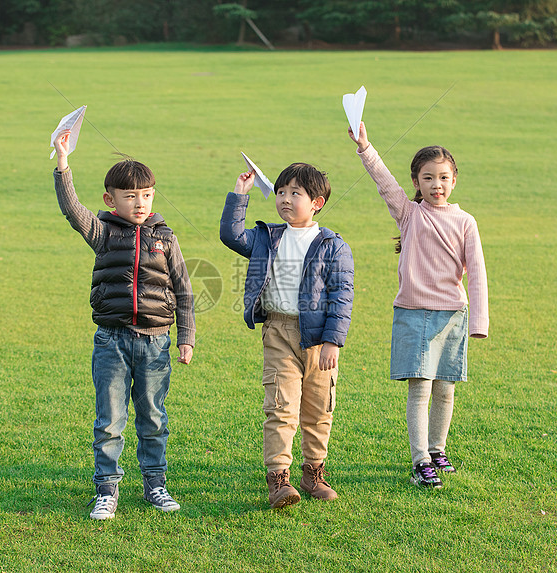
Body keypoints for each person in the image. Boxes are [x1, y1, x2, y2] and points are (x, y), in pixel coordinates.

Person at [53, 130, 195, 519]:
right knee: (109, 421)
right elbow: (72, 210)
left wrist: (187, 338)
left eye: (147, 195)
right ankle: (107, 490)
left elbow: (183, 290)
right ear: (110, 199)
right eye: (130, 196)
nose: (140, 203)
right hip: (111, 342)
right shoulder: (102, 233)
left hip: (155, 343)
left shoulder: (166, 238)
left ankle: (155, 484)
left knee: (153, 418)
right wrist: (63, 162)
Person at [348, 121, 488, 489]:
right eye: (428, 178)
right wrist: (365, 147)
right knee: (420, 388)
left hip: (452, 317)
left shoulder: (465, 222)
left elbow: (477, 273)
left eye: (443, 177)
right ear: (417, 182)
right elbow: (383, 181)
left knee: (446, 388)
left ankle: (438, 450)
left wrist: (479, 323)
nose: (436, 185)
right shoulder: (409, 214)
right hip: (413, 314)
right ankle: (420, 460)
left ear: (454, 180)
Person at [220, 163, 354, 509]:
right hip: (279, 331)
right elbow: (232, 236)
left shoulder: (333, 245)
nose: (285, 199)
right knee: (281, 407)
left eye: (295, 193)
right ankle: (279, 479)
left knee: (319, 409)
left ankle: (314, 473)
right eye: (280, 192)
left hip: (319, 338)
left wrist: (331, 341)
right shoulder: (267, 237)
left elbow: (342, 294)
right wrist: (240, 195)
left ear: (317, 202)